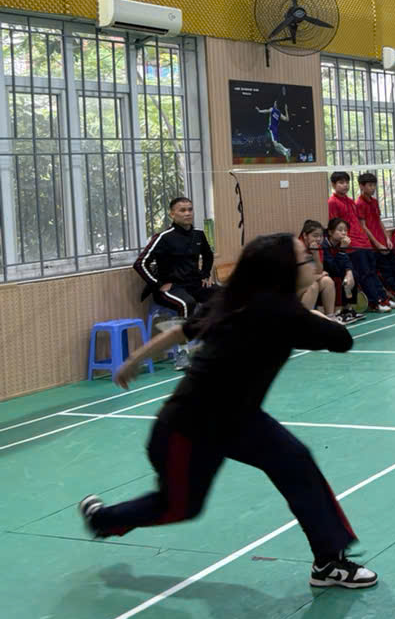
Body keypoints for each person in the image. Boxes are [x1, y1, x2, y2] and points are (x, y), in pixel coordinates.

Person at [79, 233, 378, 590]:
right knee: (179, 507)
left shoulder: (238, 299)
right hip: (190, 425)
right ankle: (101, 518)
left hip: (239, 419)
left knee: (296, 463)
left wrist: (133, 360)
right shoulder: (281, 313)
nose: (312, 262)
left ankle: (328, 562)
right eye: (305, 258)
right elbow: (342, 339)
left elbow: (181, 333)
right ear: (284, 270)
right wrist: (314, 315)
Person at [135, 196, 216, 369]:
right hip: (170, 287)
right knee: (187, 303)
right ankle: (182, 354)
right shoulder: (163, 237)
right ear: (172, 214)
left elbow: (208, 255)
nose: (187, 213)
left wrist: (205, 274)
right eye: (182, 210)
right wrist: (158, 284)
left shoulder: (198, 234)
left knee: (223, 295)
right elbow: (140, 263)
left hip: (194, 284)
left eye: (190, 209)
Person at [327, 172, 395, 314]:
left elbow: (358, 223)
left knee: (373, 272)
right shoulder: (332, 202)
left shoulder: (350, 201)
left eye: (347, 182)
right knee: (365, 274)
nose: (345, 185)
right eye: (341, 182)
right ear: (333, 185)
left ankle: (384, 299)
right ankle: (375, 302)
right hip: (353, 245)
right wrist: (344, 240)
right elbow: (334, 225)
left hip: (364, 242)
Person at [355, 172, 395, 304]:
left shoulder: (374, 202)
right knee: (387, 273)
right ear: (361, 186)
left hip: (384, 243)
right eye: (370, 185)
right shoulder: (359, 203)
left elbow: (379, 221)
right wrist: (377, 244)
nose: (373, 188)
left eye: (374, 185)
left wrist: (387, 239)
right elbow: (363, 227)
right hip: (374, 247)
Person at [321, 219, 360, 322]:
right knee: (339, 278)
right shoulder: (324, 245)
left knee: (354, 275)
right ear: (330, 232)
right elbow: (333, 268)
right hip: (327, 273)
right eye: (340, 230)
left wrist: (349, 272)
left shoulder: (340, 243)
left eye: (345, 230)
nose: (344, 233)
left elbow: (346, 261)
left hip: (337, 270)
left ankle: (347, 309)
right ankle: (337, 311)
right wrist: (342, 250)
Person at [298, 220, 338, 317]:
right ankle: (302, 321)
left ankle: (330, 317)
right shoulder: (297, 248)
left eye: (321, 236)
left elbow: (319, 270)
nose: (319, 239)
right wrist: (317, 276)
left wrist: (315, 254)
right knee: (313, 286)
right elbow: (300, 277)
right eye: (315, 236)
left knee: (327, 281)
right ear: (305, 235)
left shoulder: (318, 248)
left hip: (307, 281)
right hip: (291, 287)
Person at [255, 96, 290, 160]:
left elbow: (266, 110)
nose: (274, 103)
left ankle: (286, 149)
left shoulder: (273, 109)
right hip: (276, 129)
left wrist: (259, 111)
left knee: (275, 144)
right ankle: (285, 153)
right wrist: (286, 110)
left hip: (272, 128)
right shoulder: (279, 113)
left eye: (275, 103)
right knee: (276, 147)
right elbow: (287, 119)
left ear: (276, 104)